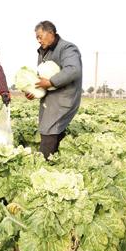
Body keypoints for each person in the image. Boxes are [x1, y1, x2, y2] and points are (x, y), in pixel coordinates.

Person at [25, 21, 82, 159]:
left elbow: (73, 69)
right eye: (36, 38)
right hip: (50, 99)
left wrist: (50, 82)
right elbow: (42, 77)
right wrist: (35, 91)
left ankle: (44, 163)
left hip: (63, 97)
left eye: (40, 36)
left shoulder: (67, 48)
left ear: (51, 33)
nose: (38, 40)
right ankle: (55, 161)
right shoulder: (44, 51)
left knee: (49, 131)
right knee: (53, 130)